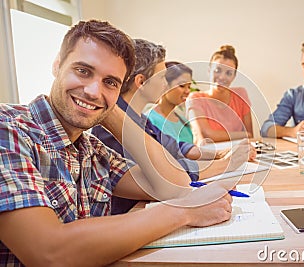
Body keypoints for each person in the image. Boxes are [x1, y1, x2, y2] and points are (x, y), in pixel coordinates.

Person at [0, 20, 235, 266]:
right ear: (57, 65)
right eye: (83, 71)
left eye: (110, 82)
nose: (92, 90)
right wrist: (183, 212)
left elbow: (175, 184)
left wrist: (109, 111)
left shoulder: (91, 149)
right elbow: (48, 252)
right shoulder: (9, 130)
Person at [91, 39, 255, 214]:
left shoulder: (141, 119)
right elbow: (165, 174)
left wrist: (220, 153)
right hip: (134, 214)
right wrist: (226, 164)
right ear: (141, 82)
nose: (166, 84)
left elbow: (177, 147)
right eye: (162, 77)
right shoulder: (114, 127)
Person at [186, 45, 253, 145]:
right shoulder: (195, 98)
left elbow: (250, 136)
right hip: (209, 156)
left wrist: (245, 135)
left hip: (238, 154)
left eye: (229, 73)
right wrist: (243, 135)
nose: (222, 77)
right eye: (217, 70)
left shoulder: (241, 95)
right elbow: (207, 135)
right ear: (209, 71)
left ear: (234, 76)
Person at [145, 61, 194, 144]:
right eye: (182, 85)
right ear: (165, 85)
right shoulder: (149, 120)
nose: (187, 91)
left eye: (189, 86)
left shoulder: (183, 121)